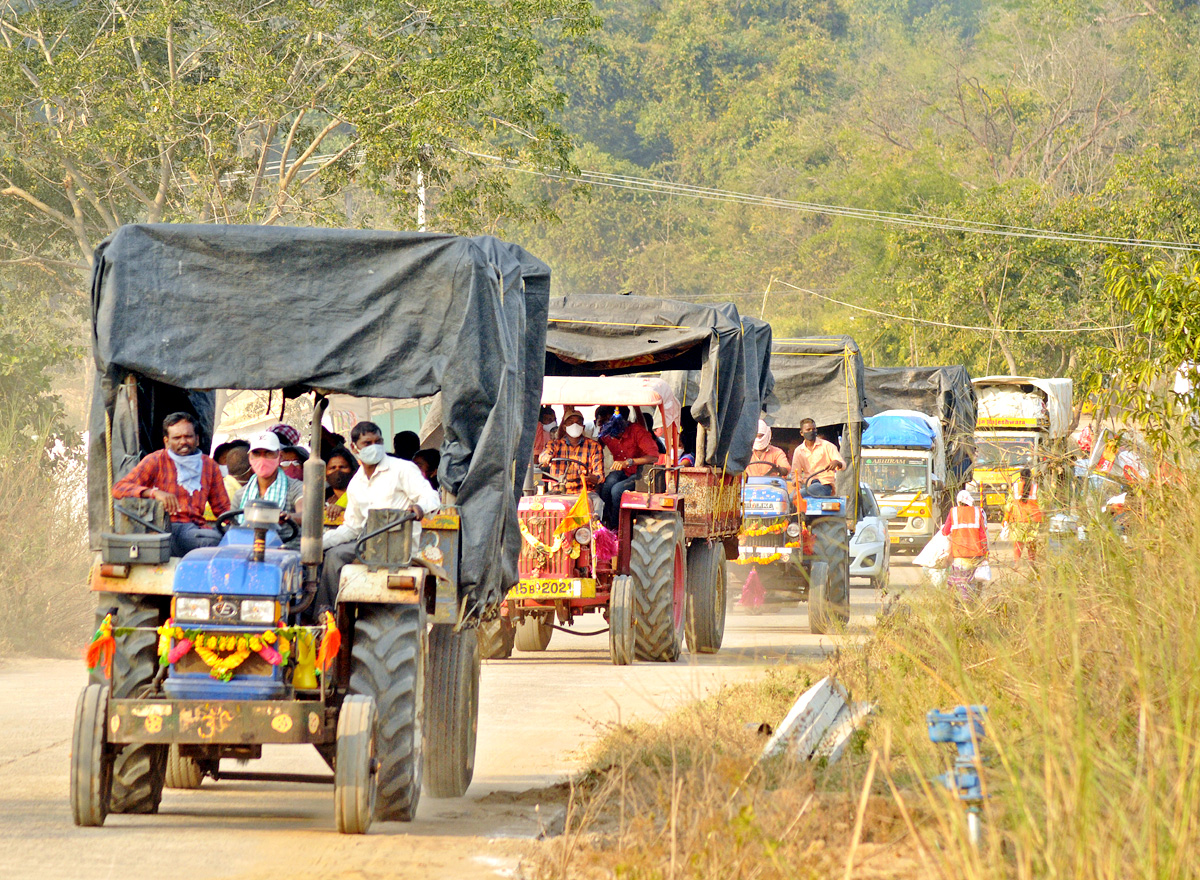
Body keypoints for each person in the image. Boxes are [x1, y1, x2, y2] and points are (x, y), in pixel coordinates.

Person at [320, 421, 441, 611]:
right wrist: (317, 544)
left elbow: (431, 497)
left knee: (336, 556)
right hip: (367, 545)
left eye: (378, 442)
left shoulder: (403, 469)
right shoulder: (356, 483)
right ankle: (328, 614)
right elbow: (352, 527)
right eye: (367, 443)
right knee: (328, 555)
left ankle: (327, 611)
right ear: (354, 448)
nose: (374, 447)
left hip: (397, 548)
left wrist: (419, 507)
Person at [112, 412, 230, 556]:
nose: (183, 442)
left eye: (188, 437)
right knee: (212, 541)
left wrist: (238, 527)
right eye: (177, 438)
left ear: (197, 439)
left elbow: (223, 509)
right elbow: (119, 489)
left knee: (228, 540)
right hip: (164, 529)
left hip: (193, 529)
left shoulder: (209, 465)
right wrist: (153, 493)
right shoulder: (156, 460)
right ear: (166, 441)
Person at [597, 406, 660, 530]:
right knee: (607, 484)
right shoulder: (606, 433)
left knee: (617, 490)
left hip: (640, 474)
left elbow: (653, 457)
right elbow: (595, 447)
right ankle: (603, 521)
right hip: (623, 472)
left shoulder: (637, 431)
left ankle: (617, 527)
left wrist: (629, 462)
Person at [233, 431, 303, 525]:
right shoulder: (240, 495)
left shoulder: (295, 488)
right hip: (247, 539)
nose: (262, 459)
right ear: (250, 458)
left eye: (268, 453)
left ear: (280, 456)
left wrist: (288, 517)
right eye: (257, 454)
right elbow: (233, 528)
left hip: (286, 539)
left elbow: (305, 514)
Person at [539, 410, 604, 495]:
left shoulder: (594, 446)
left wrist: (590, 477)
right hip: (557, 492)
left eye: (578, 422)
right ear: (564, 427)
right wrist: (546, 457)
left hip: (585, 493)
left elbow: (600, 477)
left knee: (597, 503)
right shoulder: (554, 444)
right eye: (571, 422)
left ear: (583, 427)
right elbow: (544, 455)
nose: (575, 425)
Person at [941, 489, 988, 595]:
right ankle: (974, 602)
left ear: (959, 501)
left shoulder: (953, 512)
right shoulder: (978, 512)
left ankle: (958, 605)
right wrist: (986, 553)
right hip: (976, 554)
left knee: (956, 582)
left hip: (959, 554)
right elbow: (983, 535)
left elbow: (945, 532)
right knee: (975, 581)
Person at [790, 418, 844, 497]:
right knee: (789, 497)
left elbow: (843, 464)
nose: (811, 432)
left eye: (813, 429)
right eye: (808, 429)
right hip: (807, 485)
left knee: (813, 488)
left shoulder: (827, 446)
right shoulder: (798, 451)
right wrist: (798, 484)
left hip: (824, 485)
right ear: (802, 433)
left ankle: (796, 496)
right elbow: (795, 473)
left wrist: (837, 462)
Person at [1004, 467, 1043, 563]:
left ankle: (1017, 563)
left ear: (1020, 477)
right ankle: (1032, 562)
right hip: (1032, 519)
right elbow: (1042, 504)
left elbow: (1009, 504)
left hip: (1018, 519)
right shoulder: (1036, 487)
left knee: (1018, 542)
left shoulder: (1015, 487)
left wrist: (1006, 518)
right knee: (1031, 542)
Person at [323, 446, 358, 526]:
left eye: (342, 467)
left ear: (352, 472)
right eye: (332, 468)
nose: (337, 471)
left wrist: (344, 510)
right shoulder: (323, 499)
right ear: (325, 475)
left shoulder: (359, 495)